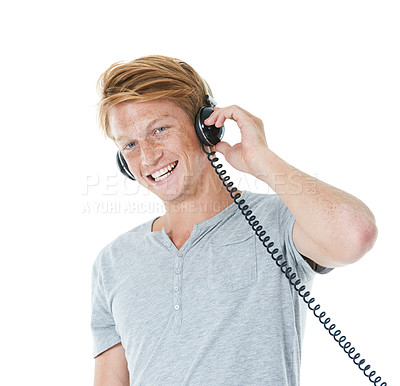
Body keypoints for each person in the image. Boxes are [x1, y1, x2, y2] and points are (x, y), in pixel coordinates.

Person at [91, 55, 377, 385]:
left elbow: (357, 235)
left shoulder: (278, 222)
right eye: (129, 144)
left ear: (206, 126)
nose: (147, 156)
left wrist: (262, 161)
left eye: (160, 129)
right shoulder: (112, 262)